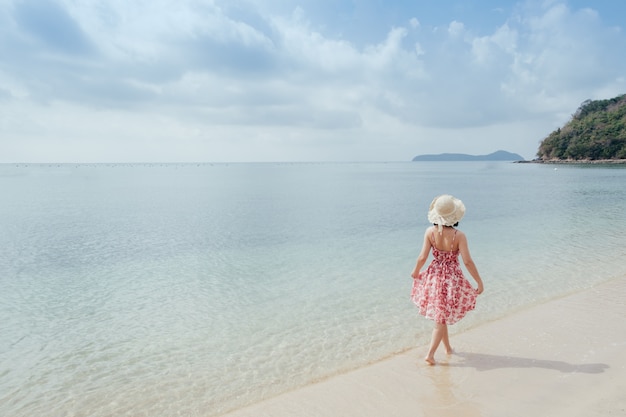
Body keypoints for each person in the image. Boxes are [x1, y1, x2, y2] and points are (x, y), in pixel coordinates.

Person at [410, 194, 484, 365]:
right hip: (450, 280)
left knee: (440, 315)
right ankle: (430, 354)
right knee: (440, 319)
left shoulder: (430, 232)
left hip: (434, 278)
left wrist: (416, 271)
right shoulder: (459, 236)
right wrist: (479, 281)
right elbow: (467, 261)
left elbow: (422, 257)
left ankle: (448, 348)